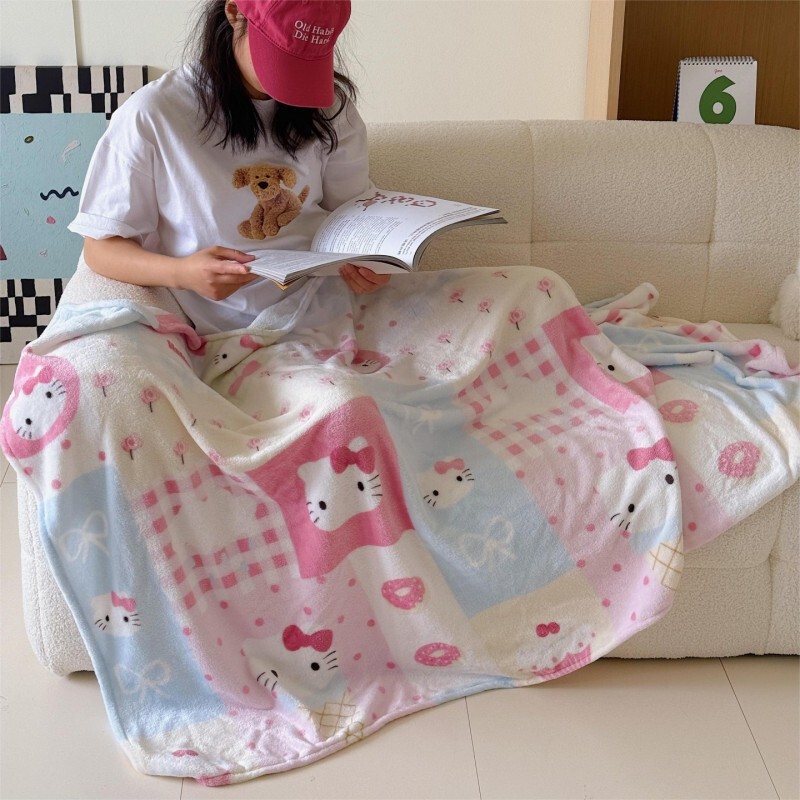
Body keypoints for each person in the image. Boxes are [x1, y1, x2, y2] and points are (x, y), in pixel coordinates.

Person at [68, 0, 389, 335]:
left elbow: (353, 214)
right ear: (235, 12)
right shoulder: (154, 114)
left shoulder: (332, 109)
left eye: (307, 61)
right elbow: (100, 248)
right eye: (281, 57)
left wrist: (374, 260)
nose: (291, 84)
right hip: (209, 321)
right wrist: (182, 273)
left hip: (319, 303)